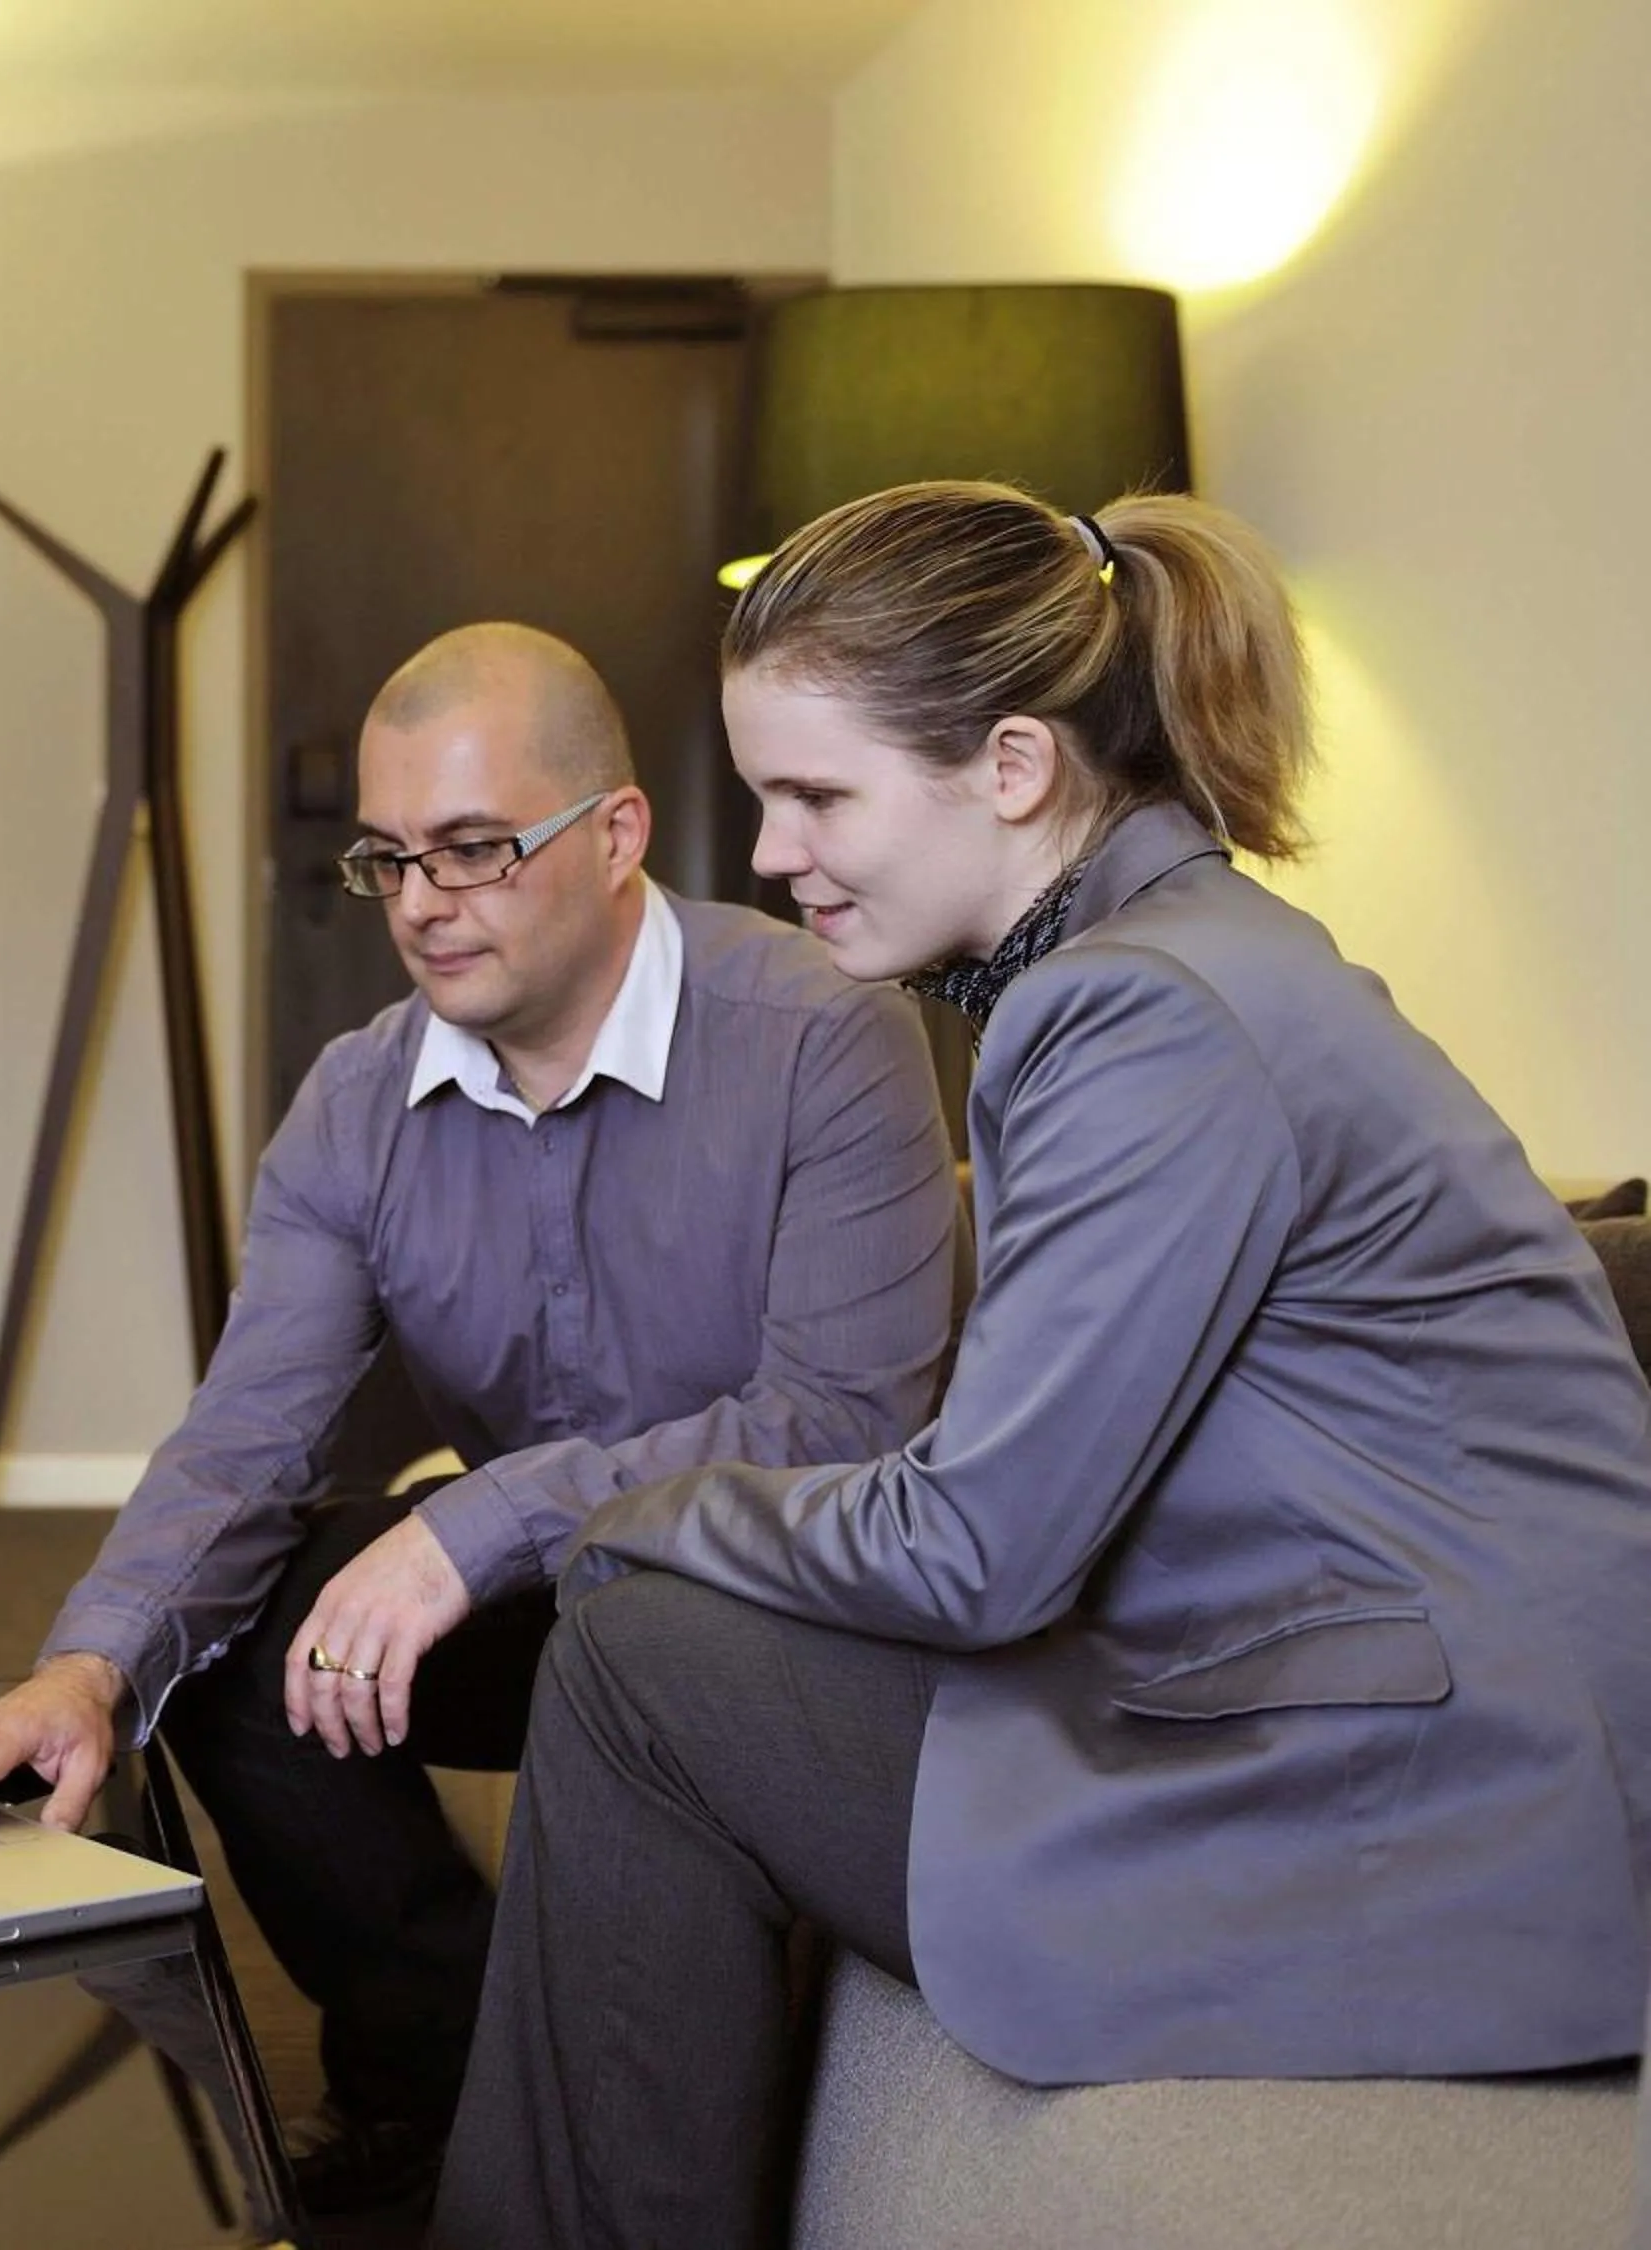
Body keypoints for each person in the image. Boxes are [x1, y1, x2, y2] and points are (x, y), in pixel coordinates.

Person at [430, 483, 1651, 2249]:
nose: (768, 851)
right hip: (1421, 1730)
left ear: (1012, 766)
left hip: (1435, 1806)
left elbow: (977, 1546)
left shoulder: (1144, 1013)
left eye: (817, 795)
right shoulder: (1166, 962)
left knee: (640, 1654)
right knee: (669, 1633)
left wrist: (628, 1513)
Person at [0, 622, 962, 2212]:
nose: (423, 901)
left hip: (781, 1611)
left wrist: (476, 1519)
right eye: (388, 858)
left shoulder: (825, 1033)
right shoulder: (356, 1100)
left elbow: (838, 1423)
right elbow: (245, 1435)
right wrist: (82, 1670)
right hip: (548, 1602)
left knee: (538, 1604)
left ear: (618, 834)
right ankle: (441, 2073)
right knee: (247, 1637)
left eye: (473, 847)